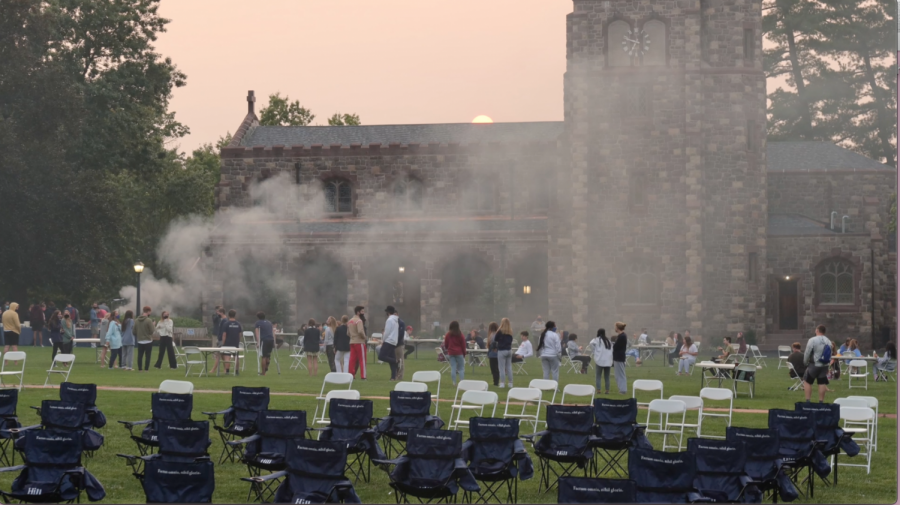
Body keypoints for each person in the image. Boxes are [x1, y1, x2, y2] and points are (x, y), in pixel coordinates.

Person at [803, 325, 832, 402]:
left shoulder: (812, 340)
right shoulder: (828, 341)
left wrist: (805, 362)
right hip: (824, 364)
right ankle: (821, 401)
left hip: (814, 363)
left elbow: (807, 352)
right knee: (822, 382)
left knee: (807, 381)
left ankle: (808, 401)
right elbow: (830, 353)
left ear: (817, 331)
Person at [588, 328, 613, 394]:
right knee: (607, 377)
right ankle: (607, 390)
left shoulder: (596, 340)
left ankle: (598, 390)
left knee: (598, 376)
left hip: (600, 360)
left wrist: (594, 351)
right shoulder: (608, 341)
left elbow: (591, 344)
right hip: (608, 361)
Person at [443, 321, 467, 386]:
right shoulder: (460, 335)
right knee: (461, 368)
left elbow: (446, 344)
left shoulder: (448, 335)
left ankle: (454, 383)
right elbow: (463, 345)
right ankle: (461, 382)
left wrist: (449, 349)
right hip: (459, 353)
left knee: (453, 368)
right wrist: (464, 354)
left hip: (451, 353)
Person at [380, 307, 401, 380]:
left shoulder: (389, 320)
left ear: (388, 312)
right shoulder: (396, 320)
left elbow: (387, 332)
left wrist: (383, 340)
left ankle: (397, 361)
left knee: (381, 356)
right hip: (394, 341)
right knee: (391, 359)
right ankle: (393, 377)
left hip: (389, 341)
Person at [220, 310, 243, 375]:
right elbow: (240, 334)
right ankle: (237, 371)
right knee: (236, 357)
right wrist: (238, 340)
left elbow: (224, 334)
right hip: (235, 343)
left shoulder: (226, 324)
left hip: (227, 342)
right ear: (235, 315)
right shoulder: (238, 324)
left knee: (227, 357)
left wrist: (223, 343)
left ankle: (227, 371)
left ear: (228, 315)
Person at [348, 306, 368, 380]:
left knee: (352, 359)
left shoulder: (350, 321)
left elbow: (348, 333)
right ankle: (363, 376)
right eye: (362, 311)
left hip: (352, 342)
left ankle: (351, 375)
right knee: (362, 359)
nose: (363, 313)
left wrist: (352, 336)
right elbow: (360, 331)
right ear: (358, 312)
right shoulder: (359, 321)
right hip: (359, 342)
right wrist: (364, 337)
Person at [134, 306, 155, 372]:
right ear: (148, 311)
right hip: (148, 340)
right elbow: (152, 331)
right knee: (147, 356)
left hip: (140, 340)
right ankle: (146, 369)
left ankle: (140, 369)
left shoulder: (136, 320)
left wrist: (139, 334)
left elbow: (133, 331)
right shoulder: (149, 320)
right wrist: (153, 325)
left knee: (140, 356)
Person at [495, 318, 514, 388]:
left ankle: (502, 383)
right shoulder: (510, 332)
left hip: (501, 350)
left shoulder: (500, 331)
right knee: (509, 367)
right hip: (509, 350)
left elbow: (495, 339)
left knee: (502, 368)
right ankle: (510, 383)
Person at [612, 322, 628, 394]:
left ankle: (623, 390)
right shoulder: (621, 336)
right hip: (618, 356)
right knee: (618, 374)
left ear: (617, 328)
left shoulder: (622, 336)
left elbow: (616, 347)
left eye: (615, 327)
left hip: (619, 357)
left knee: (620, 374)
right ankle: (621, 389)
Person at [486, 322, 500, 386]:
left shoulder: (492, 335)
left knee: (494, 369)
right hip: (498, 354)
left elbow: (493, 343)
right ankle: (497, 381)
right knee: (497, 368)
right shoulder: (498, 334)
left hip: (493, 354)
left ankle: (496, 382)